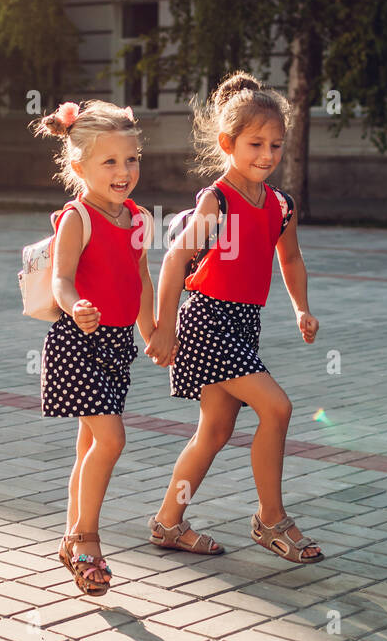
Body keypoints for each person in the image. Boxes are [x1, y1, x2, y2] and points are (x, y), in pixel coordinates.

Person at [145, 72, 324, 563]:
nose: (266, 155)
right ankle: (271, 521)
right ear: (228, 143)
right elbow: (175, 260)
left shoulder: (280, 206)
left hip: (244, 324)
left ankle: (167, 522)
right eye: (255, 144)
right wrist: (162, 328)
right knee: (277, 408)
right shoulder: (216, 200)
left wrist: (302, 308)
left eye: (276, 145)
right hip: (206, 322)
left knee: (216, 432)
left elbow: (290, 259)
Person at [32, 100, 156, 595]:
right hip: (76, 342)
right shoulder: (77, 218)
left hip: (118, 345)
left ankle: (70, 539)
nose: (124, 171)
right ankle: (87, 540)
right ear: (79, 166)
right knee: (110, 440)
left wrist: (153, 334)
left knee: (90, 445)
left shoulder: (138, 218)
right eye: (110, 162)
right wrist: (76, 303)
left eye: (131, 160)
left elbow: (142, 279)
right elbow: (61, 280)